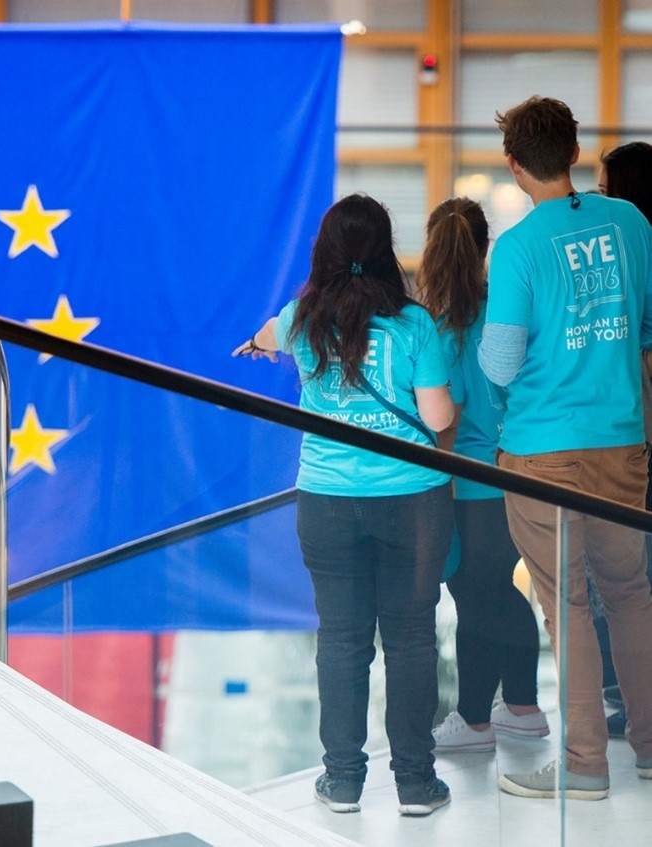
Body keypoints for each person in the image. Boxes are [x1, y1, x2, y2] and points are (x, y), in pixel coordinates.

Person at [233, 193, 455, 816]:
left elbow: (266, 334)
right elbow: (437, 418)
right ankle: (414, 783)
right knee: (410, 637)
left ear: (323, 252)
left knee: (341, 640)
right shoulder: (415, 324)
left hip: (327, 502)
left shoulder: (300, 320)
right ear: (385, 251)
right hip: (411, 501)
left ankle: (343, 781)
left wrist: (257, 342)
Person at [478, 95, 652, 800]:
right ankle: (647, 747)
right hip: (621, 440)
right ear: (575, 154)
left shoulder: (517, 247)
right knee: (630, 594)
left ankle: (582, 763)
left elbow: (496, 363)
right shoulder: (632, 223)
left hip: (542, 449)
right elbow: (641, 328)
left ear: (515, 166)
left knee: (567, 604)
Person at [416, 197, 549, 754]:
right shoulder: (506, 316)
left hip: (472, 489)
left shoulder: (446, 332)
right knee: (495, 592)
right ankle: (517, 706)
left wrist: (434, 490)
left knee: (476, 595)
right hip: (519, 474)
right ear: (485, 247)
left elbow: (445, 427)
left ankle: (480, 718)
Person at [592, 140, 652, 738]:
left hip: (631, 436)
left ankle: (632, 701)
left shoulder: (631, 252)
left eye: (607, 190)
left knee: (622, 571)